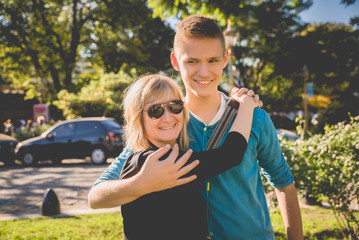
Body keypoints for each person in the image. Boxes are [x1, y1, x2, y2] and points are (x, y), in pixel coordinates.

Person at [89, 15, 303, 240]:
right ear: (175, 61)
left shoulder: (255, 119)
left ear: (225, 59)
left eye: (212, 60)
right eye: (192, 61)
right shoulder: (164, 127)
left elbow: (284, 184)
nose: (203, 72)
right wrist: (140, 184)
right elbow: (96, 196)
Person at [104, 74, 260, 239]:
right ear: (138, 118)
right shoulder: (156, 161)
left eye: (175, 106)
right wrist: (246, 106)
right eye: (155, 110)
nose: (168, 117)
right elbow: (230, 154)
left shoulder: (158, 157)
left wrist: (233, 106)